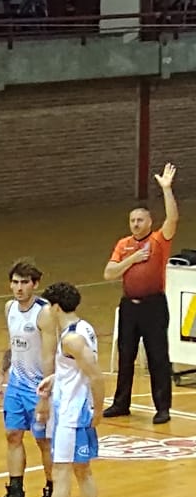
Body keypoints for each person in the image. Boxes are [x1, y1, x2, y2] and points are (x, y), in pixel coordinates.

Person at [15, 283, 105, 497]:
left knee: (61, 473)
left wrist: (99, 410)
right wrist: (56, 379)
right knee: (83, 471)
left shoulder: (70, 340)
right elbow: (79, 370)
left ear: (55, 308)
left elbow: (96, 376)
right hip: (76, 409)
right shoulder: (83, 328)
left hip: (72, 415)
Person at [103, 162, 179, 425]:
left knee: (158, 357)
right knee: (125, 356)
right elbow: (109, 273)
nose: (135, 224)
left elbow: (173, 219)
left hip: (153, 306)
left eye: (140, 220)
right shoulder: (124, 244)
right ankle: (121, 403)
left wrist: (166, 189)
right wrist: (132, 259)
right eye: (132, 221)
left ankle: (162, 408)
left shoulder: (158, 240)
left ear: (149, 222)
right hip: (129, 307)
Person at [0, 261, 56, 497]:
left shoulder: (44, 313)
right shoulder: (10, 308)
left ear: (35, 284)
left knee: (44, 441)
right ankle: (16, 493)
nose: (19, 288)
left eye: (24, 282)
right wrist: (2, 372)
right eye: (15, 282)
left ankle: (52, 492)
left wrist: (45, 395)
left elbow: (49, 356)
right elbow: (13, 343)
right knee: (13, 435)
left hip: (38, 386)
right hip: (17, 384)